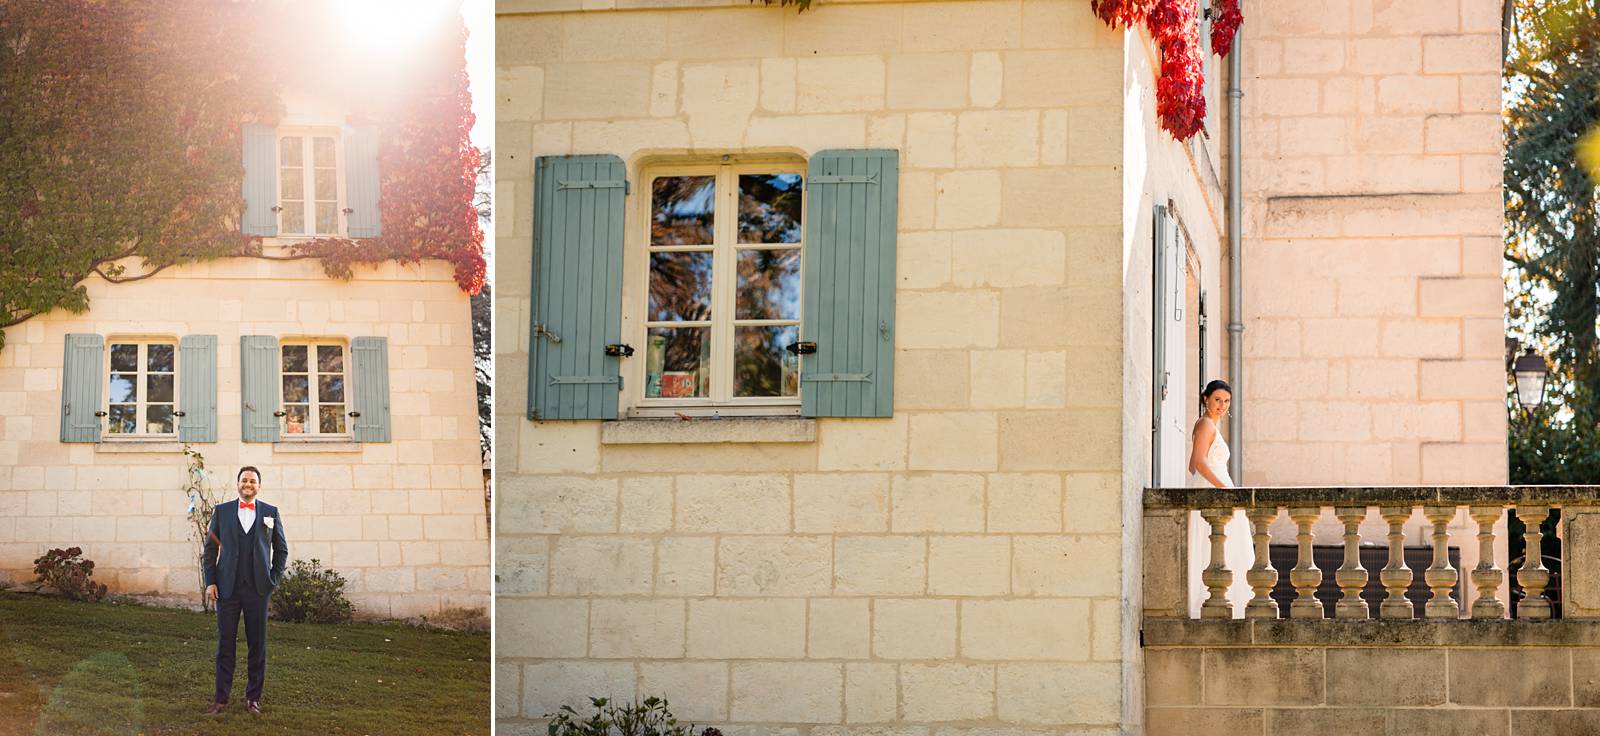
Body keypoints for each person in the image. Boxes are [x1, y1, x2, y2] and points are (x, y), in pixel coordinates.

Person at [202, 466, 288, 715]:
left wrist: (273, 579)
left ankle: (253, 699)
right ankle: (220, 699)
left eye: (252, 481)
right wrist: (211, 581)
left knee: (257, 645)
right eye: (244, 480)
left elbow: (281, 550)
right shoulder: (222, 511)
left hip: (258, 590)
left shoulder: (271, 512)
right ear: (237, 483)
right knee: (225, 644)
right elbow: (210, 550)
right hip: (227, 589)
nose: (247, 484)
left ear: (258, 486)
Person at [1187, 380, 1252, 616]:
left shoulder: (1210, 425)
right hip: (1214, 487)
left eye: (1226, 401)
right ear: (1206, 399)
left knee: (1221, 545)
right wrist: (1222, 488)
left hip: (1211, 483)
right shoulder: (1205, 424)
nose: (1222, 405)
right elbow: (1199, 463)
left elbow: (1191, 467)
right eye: (1217, 400)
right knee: (1213, 544)